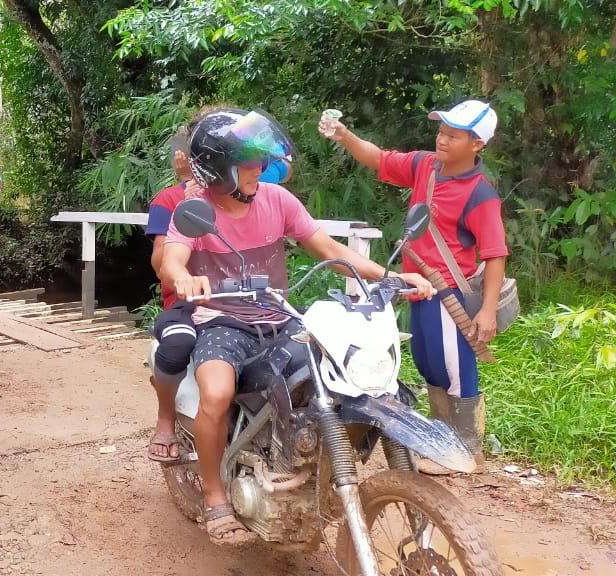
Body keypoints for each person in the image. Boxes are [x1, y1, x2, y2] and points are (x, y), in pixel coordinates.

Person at [158, 108, 434, 546]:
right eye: (248, 163)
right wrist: (184, 277)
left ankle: (302, 459)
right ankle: (214, 496)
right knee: (215, 393)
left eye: (259, 161)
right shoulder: (196, 210)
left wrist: (390, 277)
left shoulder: (277, 200)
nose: (259, 170)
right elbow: (172, 257)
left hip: (278, 315)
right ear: (218, 169)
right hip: (222, 320)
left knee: (338, 376)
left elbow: (328, 247)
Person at [321, 100, 507, 475]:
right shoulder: (425, 166)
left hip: (449, 293)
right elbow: (379, 159)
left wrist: (486, 310)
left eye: (453, 136)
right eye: (441, 132)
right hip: (416, 288)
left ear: (477, 145)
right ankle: (445, 441)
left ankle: (468, 449)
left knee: (455, 366)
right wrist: (345, 136)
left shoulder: (480, 194)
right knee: (426, 361)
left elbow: (495, 254)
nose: (442, 140)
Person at [145, 107, 292, 462]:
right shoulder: (169, 200)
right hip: (193, 301)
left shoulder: (253, 192)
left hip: (252, 300)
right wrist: (188, 200)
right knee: (179, 343)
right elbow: (161, 263)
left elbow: (279, 171)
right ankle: (166, 419)